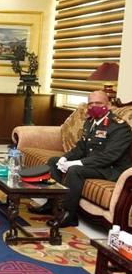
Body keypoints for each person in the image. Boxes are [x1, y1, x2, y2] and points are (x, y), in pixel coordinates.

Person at [28, 90, 132, 228]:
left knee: (75, 170)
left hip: (112, 170)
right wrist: (65, 158)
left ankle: (69, 215)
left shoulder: (119, 127)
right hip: (94, 164)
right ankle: (52, 204)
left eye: (98, 103)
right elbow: (81, 148)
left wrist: (77, 162)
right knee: (54, 161)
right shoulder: (90, 122)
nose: (94, 106)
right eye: (90, 104)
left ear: (108, 105)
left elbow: (109, 157)